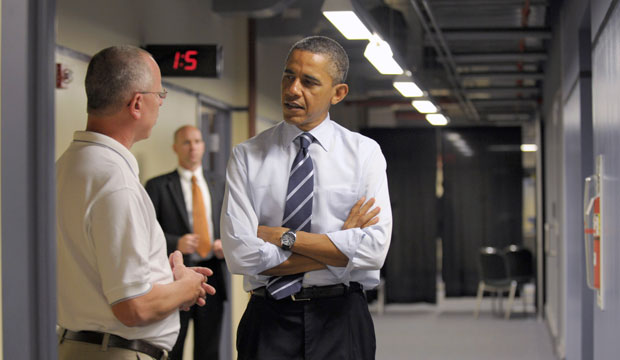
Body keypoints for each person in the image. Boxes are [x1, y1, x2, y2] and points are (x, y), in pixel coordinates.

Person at [221, 36, 392, 359]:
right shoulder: (247, 155)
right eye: (289, 76)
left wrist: (282, 238)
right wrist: (339, 246)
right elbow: (240, 256)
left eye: (309, 82)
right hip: (268, 319)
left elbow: (373, 252)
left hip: (341, 318)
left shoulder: (364, 154)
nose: (293, 89)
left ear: (338, 93)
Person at [56, 45, 216, 360]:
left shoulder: (68, 165)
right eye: (161, 94)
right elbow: (134, 307)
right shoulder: (114, 180)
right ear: (137, 103)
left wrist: (165, 282)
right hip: (117, 351)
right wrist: (188, 285)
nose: (161, 103)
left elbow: (99, 271)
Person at [145, 125, 227, 360]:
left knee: (209, 350)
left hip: (212, 277)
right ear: (175, 148)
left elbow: (231, 223)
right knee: (174, 349)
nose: (193, 147)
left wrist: (227, 244)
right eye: (186, 142)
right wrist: (175, 242)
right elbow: (147, 232)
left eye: (197, 141)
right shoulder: (158, 186)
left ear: (203, 146)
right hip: (174, 278)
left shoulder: (219, 183)